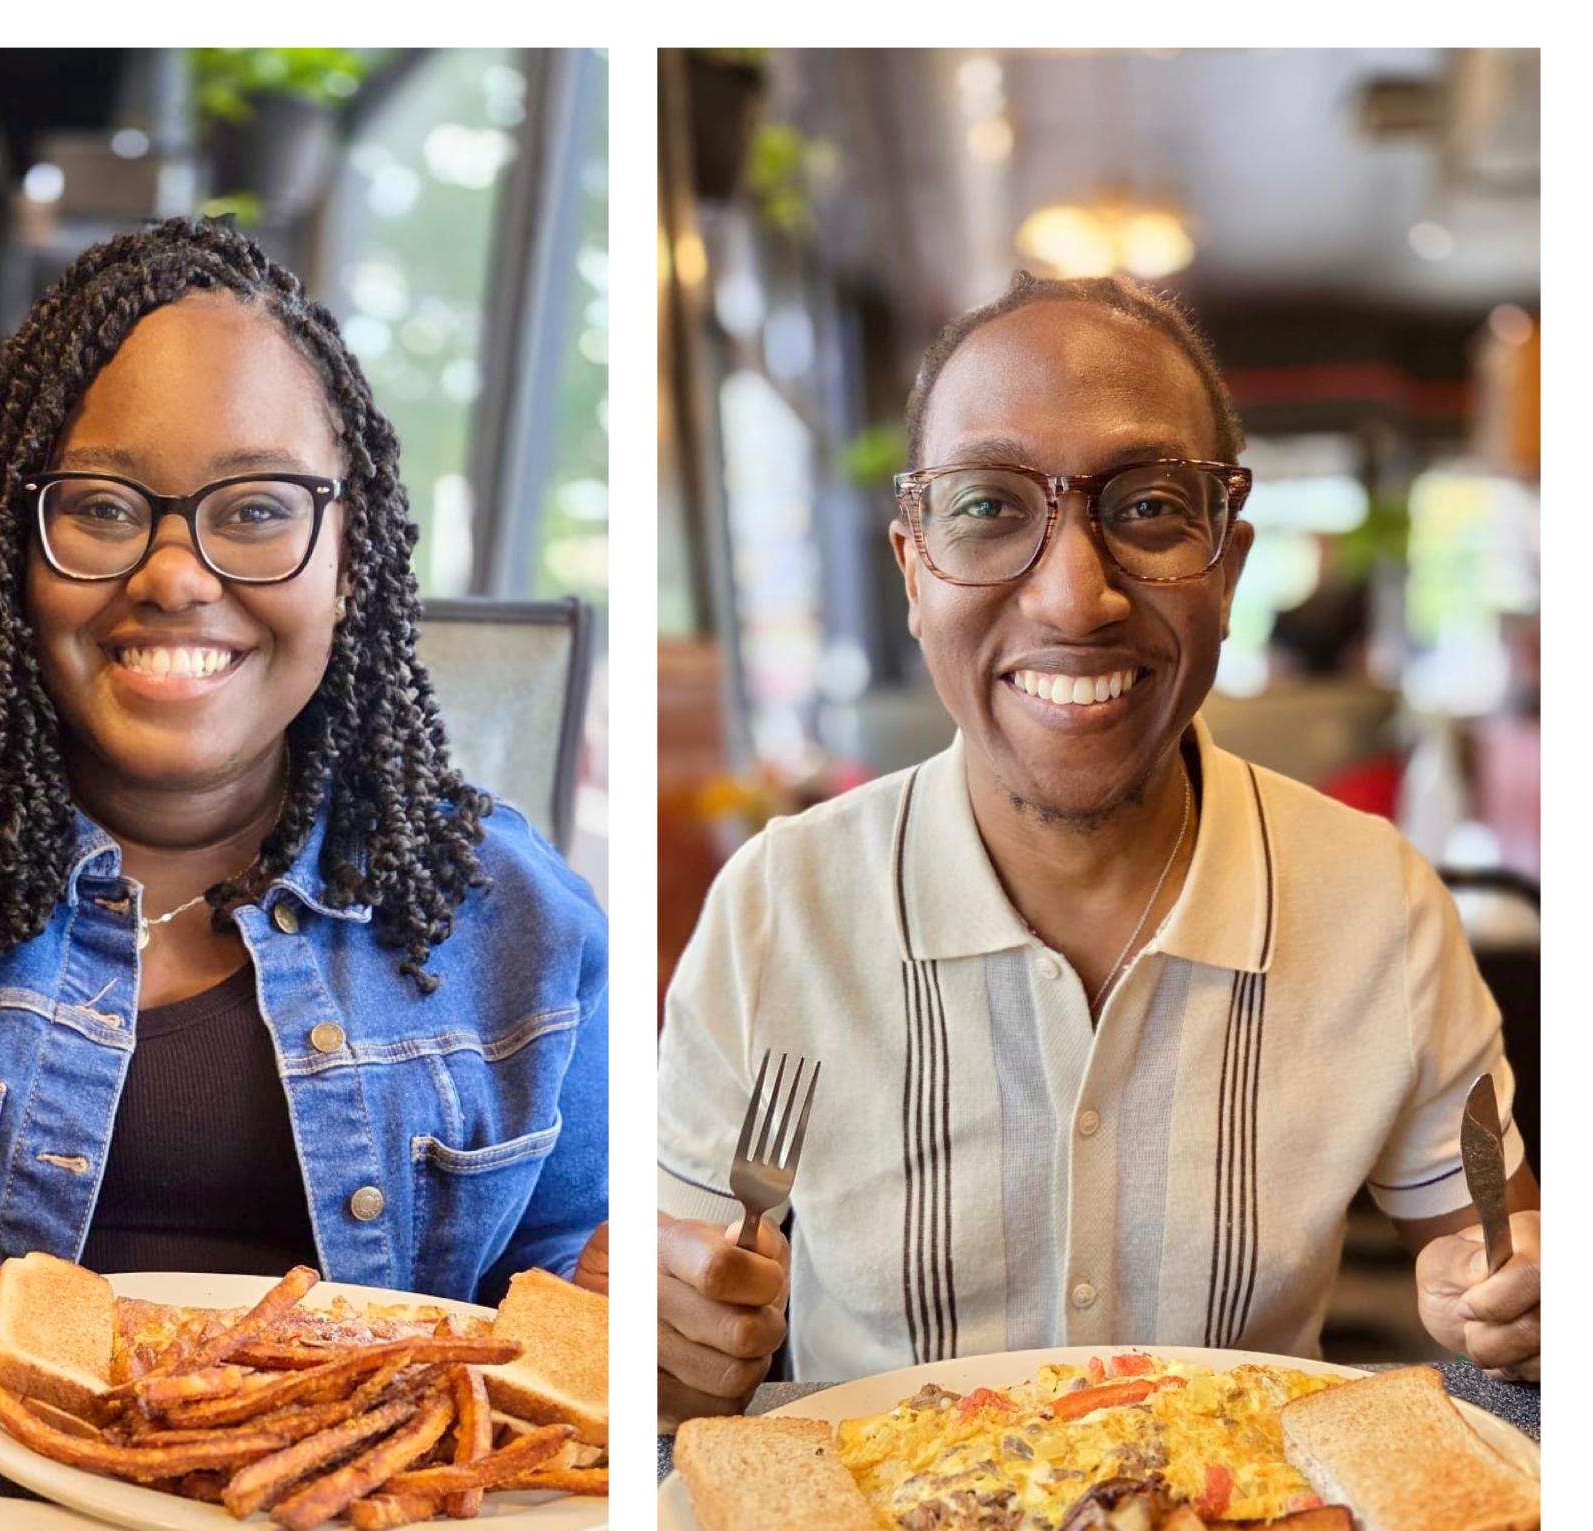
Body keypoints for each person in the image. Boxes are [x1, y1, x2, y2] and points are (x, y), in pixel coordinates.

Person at [657, 272, 1538, 1425]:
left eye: (1152, 506)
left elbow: (1496, 1257)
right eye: (988, 507)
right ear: (913, 567)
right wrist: (678, 1353)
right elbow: (674, 1336)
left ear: (1227, 561)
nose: (1077, 598)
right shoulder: (781, 905)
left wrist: (1517, 1301)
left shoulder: (1379, 903)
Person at [0, 217, 607, 1357]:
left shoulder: (521, 916)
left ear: (353, 561)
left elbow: (568, 1305)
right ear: (13, 551)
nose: (177, 574)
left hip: (354, 1528)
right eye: (100, 506)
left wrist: (639, 1317)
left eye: (256, 511)